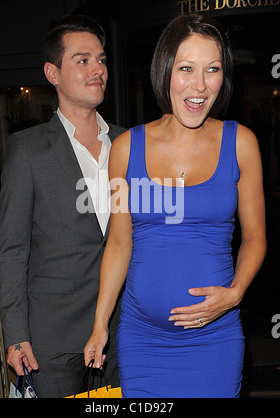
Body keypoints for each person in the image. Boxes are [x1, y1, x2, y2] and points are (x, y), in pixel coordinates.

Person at [84, 13, 266, 398]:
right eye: (186, 69)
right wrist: (100, 324)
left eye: (212, 69)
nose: (200, 85)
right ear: (165, 70)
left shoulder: (242, 143)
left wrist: (235, 294)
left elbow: (255, 238)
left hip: (215, 339)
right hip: (142, 341)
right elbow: (119, 242)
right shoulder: (125, 148)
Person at [0, 14, 125, 398]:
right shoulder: (27, 149)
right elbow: (13, 250)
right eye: (82, 60)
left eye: (101, 60)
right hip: (52, 336)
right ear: (52, 73)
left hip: (123, 328)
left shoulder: (130, 143)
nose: (97, 70)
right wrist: (16, 333)